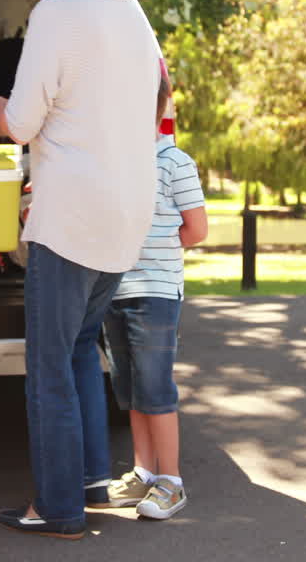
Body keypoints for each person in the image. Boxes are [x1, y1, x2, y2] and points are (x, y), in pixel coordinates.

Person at [0, 0, 160, 540]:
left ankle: (57, 510)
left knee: (47, 363)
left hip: (69, 218)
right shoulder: (133, 15)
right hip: (127, 218)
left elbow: (22, 124)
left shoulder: (56, 14)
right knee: (82, 347)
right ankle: (88, 480)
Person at [99, 77, 207, 519]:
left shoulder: (174, 162)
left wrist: (153, 251)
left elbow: (196, 230)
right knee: (130, 388)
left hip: (156, 292)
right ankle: (144, 472)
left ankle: (172, 481)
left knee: (156, 388)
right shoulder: (112, 162)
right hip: (116, 290)